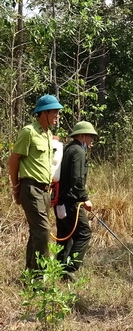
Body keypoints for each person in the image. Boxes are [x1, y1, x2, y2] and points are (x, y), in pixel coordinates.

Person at [7, 94, 63, 270]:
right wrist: (16, 188)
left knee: (36, 232)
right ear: (44, 113)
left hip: (45, 191)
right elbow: (13, 161)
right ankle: (41, 278)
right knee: (43, 232)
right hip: (31, 189)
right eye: (55, 112)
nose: (57, 116)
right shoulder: (28, 132)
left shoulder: (48, 135)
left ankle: (30, 275)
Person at [54, 121, 98, 279]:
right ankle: (70, 270)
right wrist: (85, 198)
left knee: (64, 236)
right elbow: (77, 179)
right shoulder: (78, 151)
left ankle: (58, 271)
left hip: (60, 202)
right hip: (71, 202)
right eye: (90, 136)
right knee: (84, 233)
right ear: (82, 135)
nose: (92, 139)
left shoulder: (68, 149)